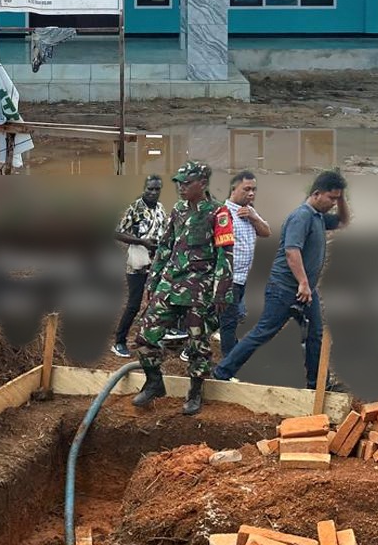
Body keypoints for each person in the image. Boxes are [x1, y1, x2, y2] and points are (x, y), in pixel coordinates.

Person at [212, 169, 350, 389]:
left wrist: (342, 198)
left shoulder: (318, 217)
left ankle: (317, 384)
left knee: (314, 335)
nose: (334, 203)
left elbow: (343, 221)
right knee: (263, 332)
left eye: (337, 198)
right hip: (285, 288)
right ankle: (221, 372)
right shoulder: (301, 216)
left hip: (305, 290)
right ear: (316, 194)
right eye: (331, 198)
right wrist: (304, 283)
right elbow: (291, 251)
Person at [130, 161, 233, 417]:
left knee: (198, 345)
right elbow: (165, 248)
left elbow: (225, 254)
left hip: (199, 289)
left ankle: (195, 391)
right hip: (171, 283)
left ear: (203, 183)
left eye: (187, 183)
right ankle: (155, 382)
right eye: (179, 183)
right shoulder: (178, 210)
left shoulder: (218, 213)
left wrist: (221, 291)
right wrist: (153, 282)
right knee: (145, 335)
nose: (181, 187)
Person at [111, 175, 169, 358]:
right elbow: (118, 233)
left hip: (156, 264)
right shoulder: (136, 208)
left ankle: (148, 338)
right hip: (137, 264)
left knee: (156, 302)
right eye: (150, 188)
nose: (153, 192)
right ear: (144, 188)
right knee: (134, 304)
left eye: (156, 189)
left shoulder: (160, 209)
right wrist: (141, 241)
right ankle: (119, 341)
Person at [220, 171, 272, 359]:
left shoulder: (250, 210)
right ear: (234, 189)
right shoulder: (223, 214)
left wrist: (253, 217)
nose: (251, 193)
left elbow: (266, 232)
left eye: (254, 190)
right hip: (228, 277)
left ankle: (229, 349)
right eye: (247, 189)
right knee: (229, 320)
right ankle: (228, 360)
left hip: (242, 277)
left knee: (233, 316)